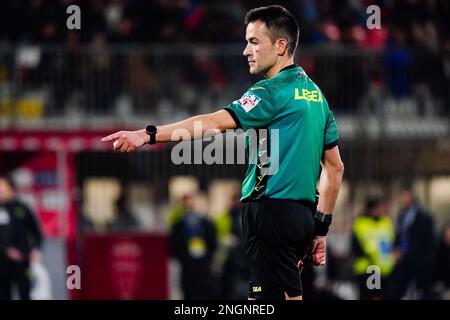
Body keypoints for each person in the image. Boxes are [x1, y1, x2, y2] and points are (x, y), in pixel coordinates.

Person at [102, 5, 344, 300]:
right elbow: (335, 168)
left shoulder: (269, 92)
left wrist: (148, 134)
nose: (246, 51)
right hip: (302, 216)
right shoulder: (317, 97)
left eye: (254, 42)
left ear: (280, 46)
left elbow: (214, 123)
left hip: (271, 212)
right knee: (264, 299)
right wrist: (320, 229)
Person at [0, 175, 43, 300]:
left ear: (11, 188)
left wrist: (35, 249)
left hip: (22, 260)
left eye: (3, 187)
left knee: (25, 293)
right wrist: (6, 250)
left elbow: (36, 232)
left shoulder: (22, 208)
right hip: (1, 262)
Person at [389, 184, 435, 299]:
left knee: (422, 292)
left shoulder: (424, 217)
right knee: (396, 291)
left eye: (406, 196)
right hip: (404, 260)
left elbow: (428, 241)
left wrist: (425, 260)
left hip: (419, 261)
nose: (403, 199)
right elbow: (400, 235)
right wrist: (396, 248)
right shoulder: (402, 215)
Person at [169, 193, 217, 300]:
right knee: (189, 291)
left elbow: (212, 242)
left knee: (203, 290)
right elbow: (174, 246)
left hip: (202, 266)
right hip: (188, 267)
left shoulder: (206, 223)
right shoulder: (178, 224)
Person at [351, 197, 395, 300]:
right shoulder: (361, 223)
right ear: (371, 209)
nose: (381, 210)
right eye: (378, 208)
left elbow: (392, 241)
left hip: (385, 270)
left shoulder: (386, 222)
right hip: (369, 269)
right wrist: (370, 257)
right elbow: (356, 247)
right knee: (371, 296)